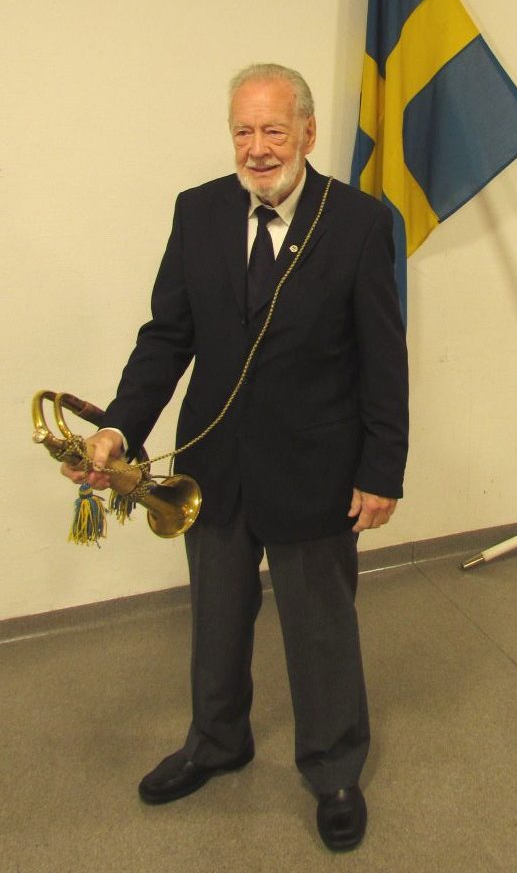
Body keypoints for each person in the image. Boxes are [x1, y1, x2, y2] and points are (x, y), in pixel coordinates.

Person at [62, 63, 408, 852]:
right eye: (243, 131)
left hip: (317, 468)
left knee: (319, 628)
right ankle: (217, 742)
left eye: (273, 130)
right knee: (216, 618)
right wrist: (119, 430)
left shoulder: (357, 222)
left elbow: (383, 359)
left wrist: (380, 469)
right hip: (212, 467)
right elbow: (166, 338)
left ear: (307, 132)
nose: (257, 148)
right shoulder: (198, 211)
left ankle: (333, 768)